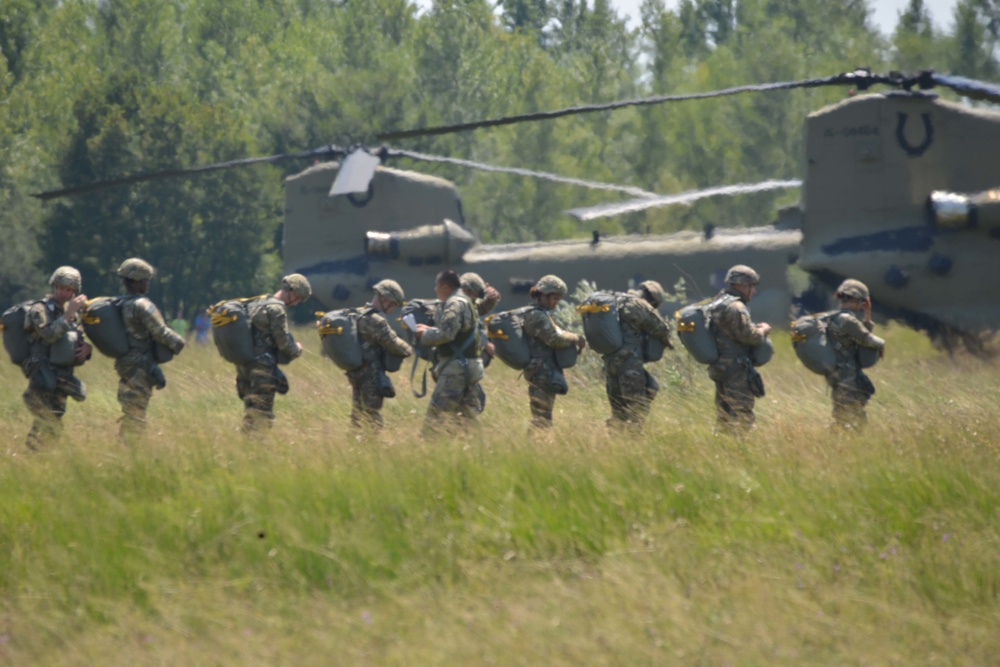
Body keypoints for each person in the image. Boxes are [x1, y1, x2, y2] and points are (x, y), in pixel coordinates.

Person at [114, 258, 186, 442]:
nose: (147, 284)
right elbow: (160, 332)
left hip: (124, 363)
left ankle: (127, 447)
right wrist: (179, 343)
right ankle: (131, 450)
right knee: (136, 412)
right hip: (141, 364)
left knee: (131, 409)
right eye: (145, 280)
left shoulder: (118, 304)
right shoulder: (142, 305)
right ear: (136, 281)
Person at [21, 267, 92, 450]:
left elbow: (77, 339)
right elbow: (49, 335)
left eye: (69, 289)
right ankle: (32, 455)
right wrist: (69, 314)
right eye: (61, 288)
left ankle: (37, 457)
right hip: (42, 374)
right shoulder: (40, 309)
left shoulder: (72, 314)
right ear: (54, 286)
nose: (64, 293)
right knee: (47, 421)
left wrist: (86, 349)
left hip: (61, 375)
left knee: (55, 420)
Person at [236, 274, 311, 434]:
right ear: (292, 291)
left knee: (251, 412)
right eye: (298, 298)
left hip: (245, 367)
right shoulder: (276, 309)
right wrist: (297, 349)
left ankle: (244, 447)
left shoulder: (258, 303)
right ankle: (254, 451)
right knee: (263, 416)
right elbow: (282, 342)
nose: (297, 303)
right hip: (262, 369)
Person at [414, 270, 483, 436]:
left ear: (445, 287)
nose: (435, 290)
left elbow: (446, 334)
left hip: (456, 369)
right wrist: (430, 328)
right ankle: (479, 451)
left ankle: (427, 451)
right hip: (470, 365)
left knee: (434, 420)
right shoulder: (466, 301)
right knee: (467, 418)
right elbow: (457, 331)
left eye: (437, 286)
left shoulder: (454, 303)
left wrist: (424, 334)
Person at [707, 265, 771, 435]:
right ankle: (740, 450)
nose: (754, 291)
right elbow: (751, 337)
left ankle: (720, 447)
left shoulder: (717, 302)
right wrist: (763, 330)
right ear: (743, 285)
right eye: (752, 286)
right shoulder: (736, 307)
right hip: (736, 368)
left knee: (724, 415)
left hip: (720, 366)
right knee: (743, 415)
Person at [603, 280, 674, 429]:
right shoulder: (638, 305)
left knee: (618, 410)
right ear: (652, 300)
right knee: (637, 409)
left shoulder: (615, 300)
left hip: (610, 365)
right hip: (630, 364)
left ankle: (615, 441)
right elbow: (661, 329)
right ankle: (634, 441)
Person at [346, 279, 413, 429]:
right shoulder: (376, 321)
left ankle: (353, 443)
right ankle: (370, 447)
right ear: (385, 299)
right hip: (371, 375)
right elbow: (393, 343)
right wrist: (410, 349)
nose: (393, 308)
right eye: (393, 304)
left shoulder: (358, 314)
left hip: (356, 373)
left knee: (358, 414)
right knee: (372, 417)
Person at [522, 275, 586, 429]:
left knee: (543, 418)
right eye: (554, 298)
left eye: (558, 299)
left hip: (545, 370)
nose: (556, 303)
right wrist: (576, 338)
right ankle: (536, 447)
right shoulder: (536, 315)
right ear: (543, 294)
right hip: (541, 372)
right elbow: (554, 339)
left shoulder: (543, 314)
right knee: (541, 419)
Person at [825, 279, 886, 429]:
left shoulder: (833, 317)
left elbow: (859, 338)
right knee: (853, 415)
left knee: (842, 411)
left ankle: (839, 440)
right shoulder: (848, 320)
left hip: (836, 371)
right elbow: (867, 339)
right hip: (847, 374)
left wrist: (867, 315)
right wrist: (881, 344)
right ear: (856, 299)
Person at [459, 272, 501, 411]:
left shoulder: (465, 304)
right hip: (459, 363)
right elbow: (469, 328)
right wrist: (485, 343)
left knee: (473, 402)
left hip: (465, 364)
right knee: (472, 405)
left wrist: (490, 299)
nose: (477, 298)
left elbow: (479, 310)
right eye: (475, 294)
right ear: (466, 290)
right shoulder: (459, 306)